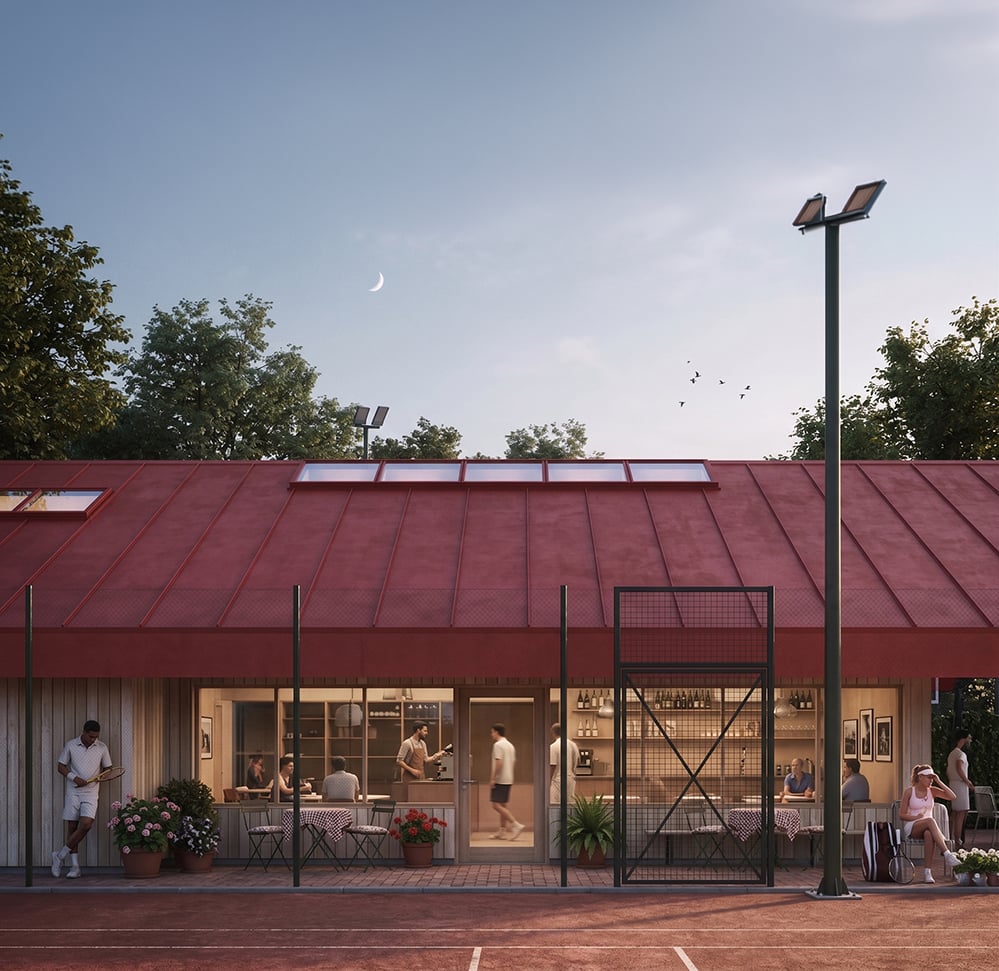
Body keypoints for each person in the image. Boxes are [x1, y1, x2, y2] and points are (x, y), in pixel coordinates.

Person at [52, 719, 112, 879]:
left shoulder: (102, 747)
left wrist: (102, 776)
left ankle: (59, 856)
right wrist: (74, 778)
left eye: (96, 737)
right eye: (91, 736)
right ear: (84, 732)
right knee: (72, 827)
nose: (93, 740)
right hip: (73, 791)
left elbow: (108, 768)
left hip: (91, 793)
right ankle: (75, 867)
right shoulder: (71, 745)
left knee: (85, 825)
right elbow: (60, 766)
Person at [898, 764, 960, 883]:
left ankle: (927, 873)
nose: (931, 780)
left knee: (928, 834)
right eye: (928, 777)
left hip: (930, 828)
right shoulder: (909, 792)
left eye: (932, 778)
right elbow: (901, 815)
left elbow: (952, 796)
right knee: (930, 821)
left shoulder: (932, 791)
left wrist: (938, 780)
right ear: (920, 777)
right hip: (913, 826)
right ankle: (947, 854)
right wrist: (915, 817)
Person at [489, 723, 525, 840]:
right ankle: (502, 831)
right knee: (503, 804)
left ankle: (515, 824)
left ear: (496, 732)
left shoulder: (498, 745)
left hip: (500, 779)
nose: (491, 734)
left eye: (492, 732)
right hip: (508, 778)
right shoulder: (510, 745)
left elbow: (499, 762)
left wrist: (493, 778)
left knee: (496, 805)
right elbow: (513, 762)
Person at [946, 728, 973, 847]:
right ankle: (957, 841)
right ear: (963, 739)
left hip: (953, 784)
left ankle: (951, 839)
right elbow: (959, 767)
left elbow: (948, 770)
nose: (970, 740)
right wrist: (967, 781)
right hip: (960, 785)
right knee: (960, 813)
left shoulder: (952, 753)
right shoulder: (961, 754)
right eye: (968, 738)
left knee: (954, 813)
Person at [549, 723, 580, 804]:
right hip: (571, 778)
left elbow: (552, 765)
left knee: (555, 804)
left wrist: (548, 782)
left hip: (558, 780)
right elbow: (577, 761)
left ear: (553, 732)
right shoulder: (573, 745)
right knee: (569, 804)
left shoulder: (554, 746)